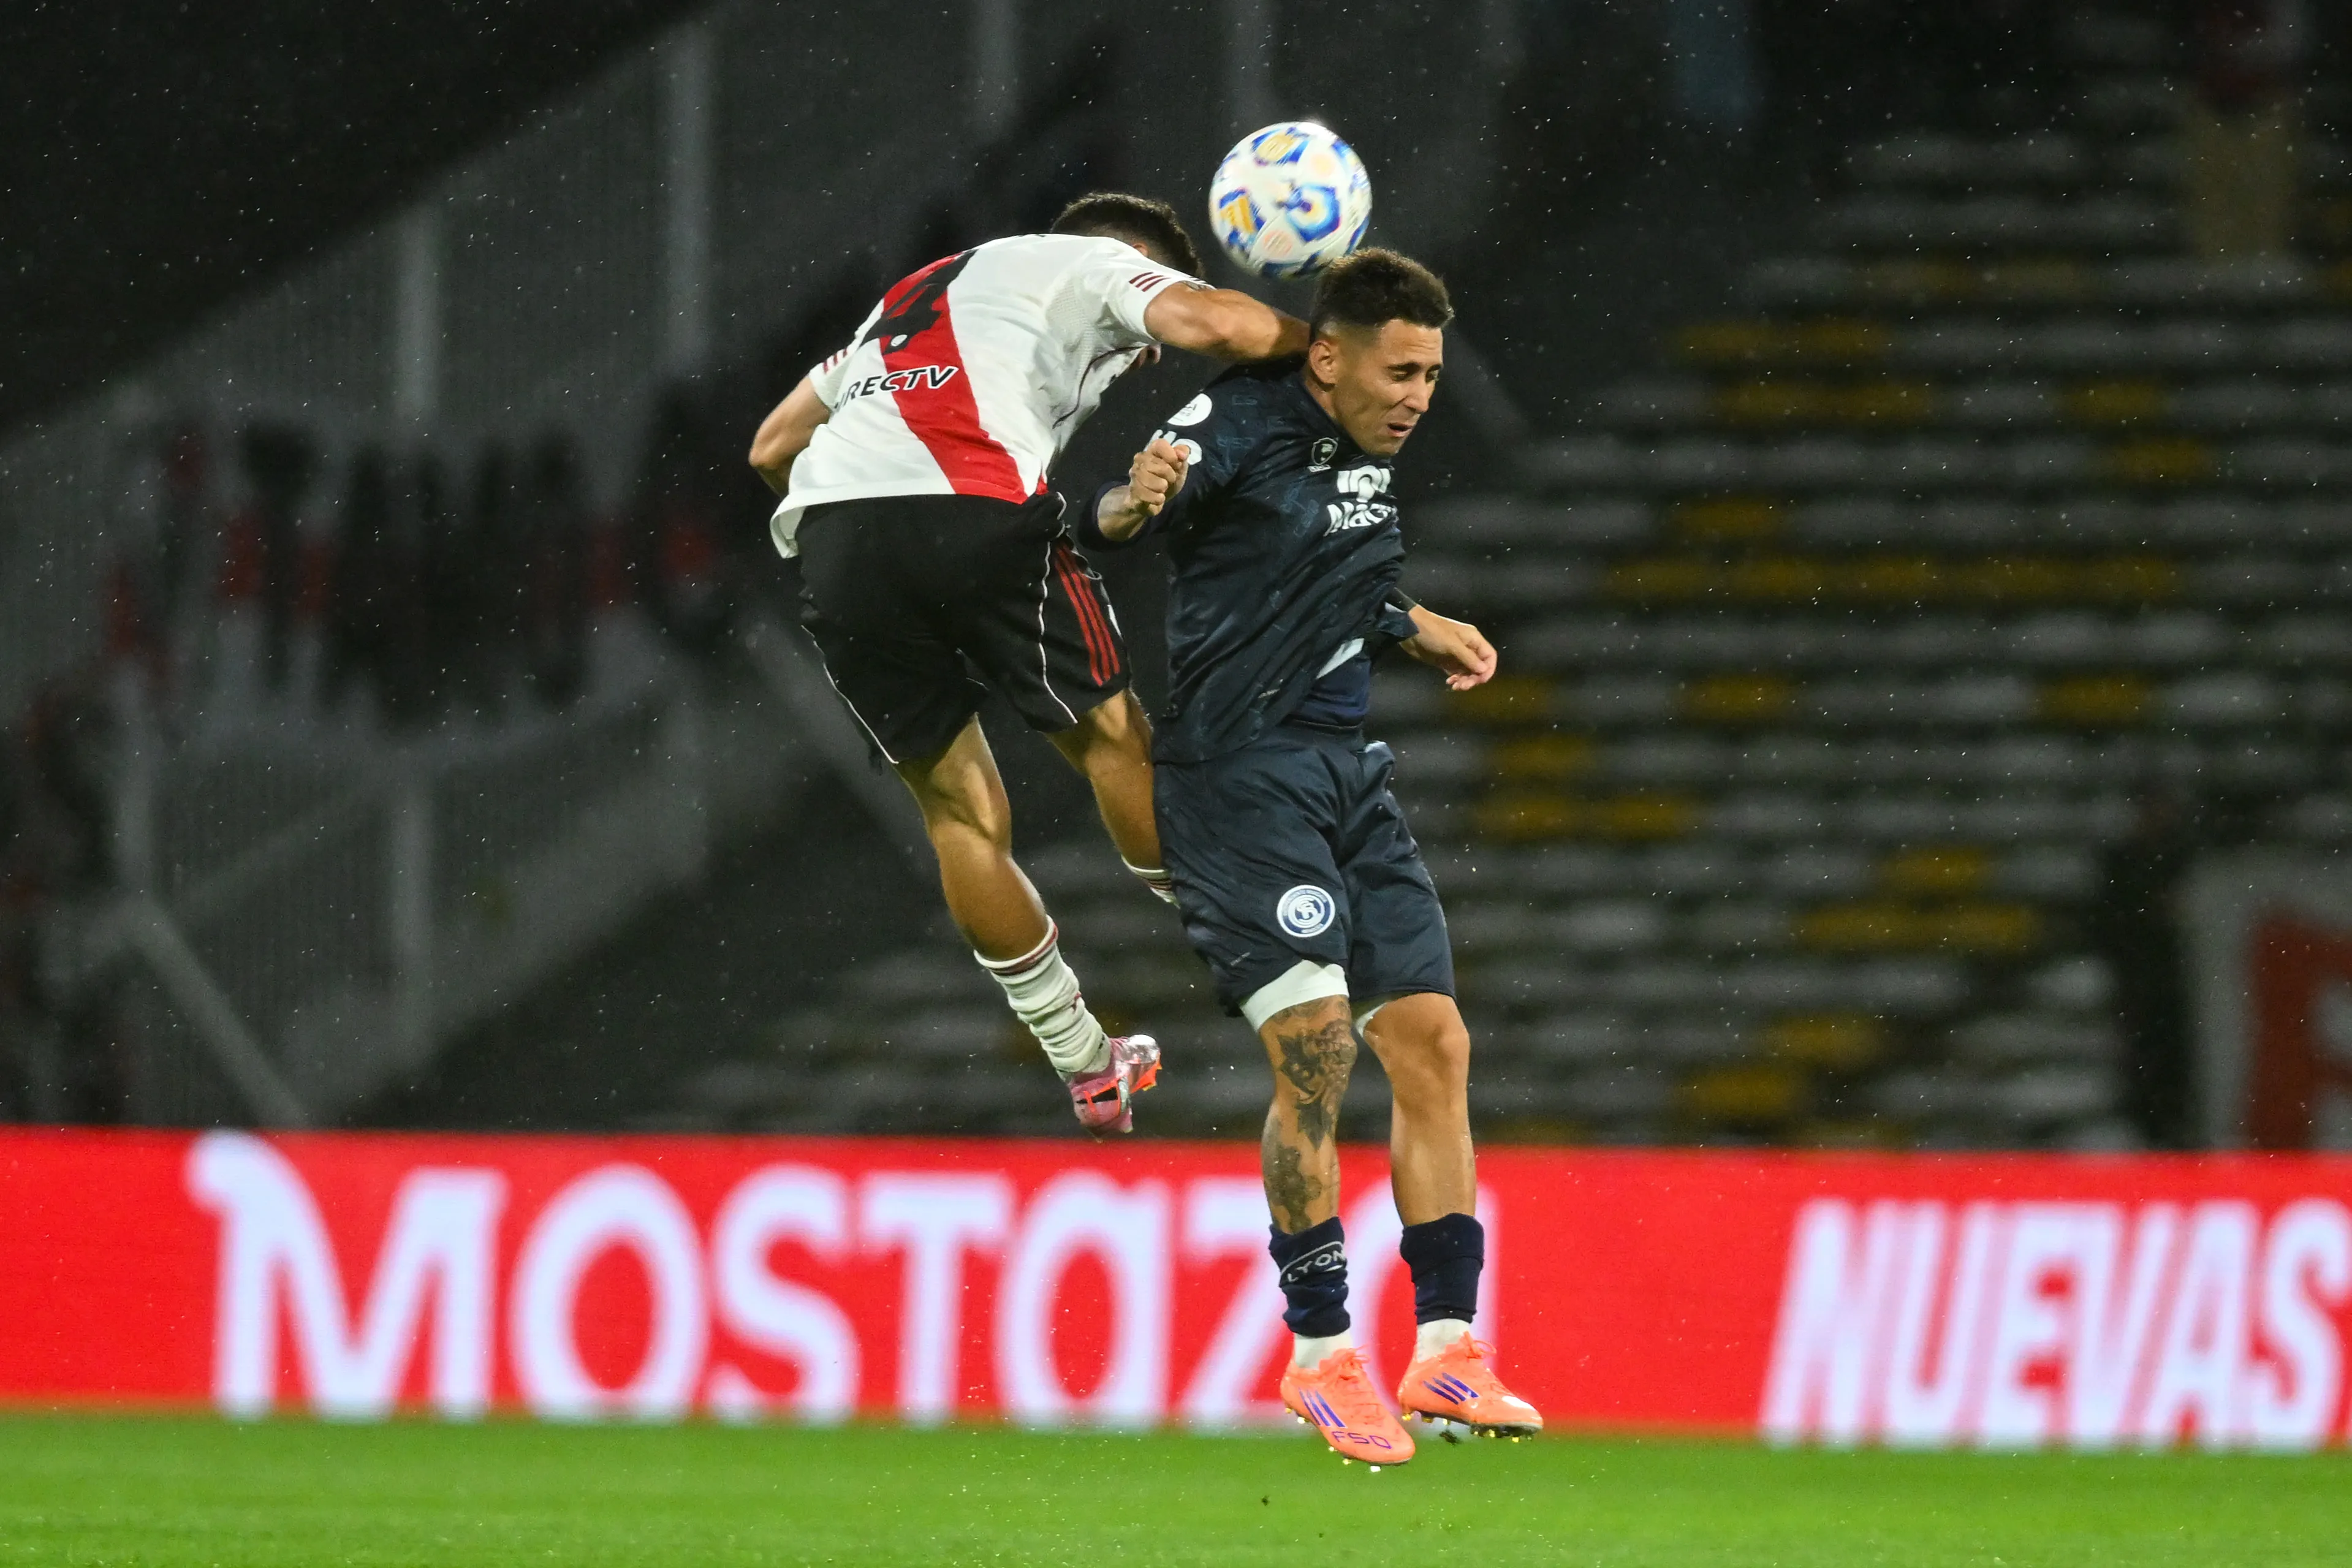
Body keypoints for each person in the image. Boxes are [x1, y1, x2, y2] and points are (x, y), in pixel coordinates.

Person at [1080, 249, 1541, 1463]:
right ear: (1325, 358)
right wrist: (1136, 494)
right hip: (1238, 779)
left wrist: (1412, 621)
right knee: (1318, 1048)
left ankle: (1447, 1346)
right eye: (1400, 371)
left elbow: (1327, 574)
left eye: (1430, 375)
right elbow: (1116, 517)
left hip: (1345, 774)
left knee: (1433, 1041)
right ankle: (1321, 1351)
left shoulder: (1365, 452)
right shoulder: (1237, 420)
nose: (1417, 396)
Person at [748, 194, 1308, 1135]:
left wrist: (868, 513)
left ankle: (1085, 1066)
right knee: (1110, 736)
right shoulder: (1089, 262)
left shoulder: (911, 300)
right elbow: (1220, 325)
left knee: (958, 814)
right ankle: (1265, 948)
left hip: (836, 539)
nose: (1142, 356)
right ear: (1134, 258)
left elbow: (772, 447)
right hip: (973, 498)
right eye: (1140, 338)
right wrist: (1334, 350)